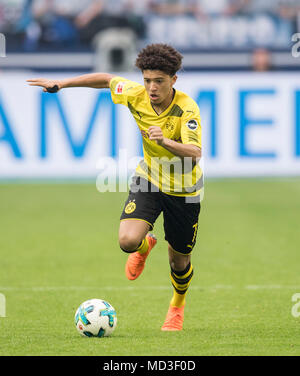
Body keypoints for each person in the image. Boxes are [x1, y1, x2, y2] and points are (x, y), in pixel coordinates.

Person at [27, 43, 203, 331]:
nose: (151, 87)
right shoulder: (135, 94)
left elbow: (195, 153)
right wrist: (61, 84)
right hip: (149, 180)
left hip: (184, 190)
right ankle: (144, 244)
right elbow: (106, 79)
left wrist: (165, 142)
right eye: (147, 80)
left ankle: (177, 305)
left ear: (174, 80)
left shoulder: (186, 108)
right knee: (127, 241)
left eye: (159, 81)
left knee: (179, 261)